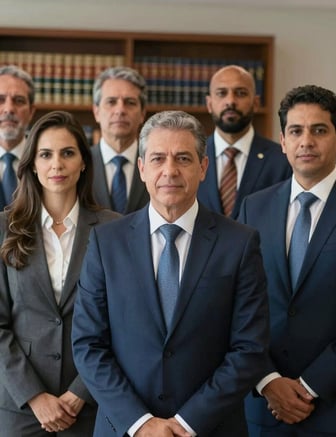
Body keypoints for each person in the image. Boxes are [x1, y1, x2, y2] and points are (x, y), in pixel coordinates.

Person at [72, 110, 270, 437]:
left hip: (210, 428)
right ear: (142, 169)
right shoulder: (107, 242)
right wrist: (140, 422)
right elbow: (88, 343)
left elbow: (249, 348)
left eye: (183, 158)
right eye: (158, 158)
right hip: (124, 428)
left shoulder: (240, 243)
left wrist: (187, 423)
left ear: (203, 167)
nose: (170, 170)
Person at [239, 84, 336, 436]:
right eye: (296, 131)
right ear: (282, 141)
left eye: (319, 130)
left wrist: (310, 386)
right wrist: (269, 381)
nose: (306, 142)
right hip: (264, 408)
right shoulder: (254, 207)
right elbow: (237, 306)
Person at [0, 110, 121, 436]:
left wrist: (81, 392)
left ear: (84, 162)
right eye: (46, 154)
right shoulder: (4, 228)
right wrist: (35, 397)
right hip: (20, 409)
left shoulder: (115, 229)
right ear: (32, 164)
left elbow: (124, 323)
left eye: (68, 153)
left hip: (91, 405)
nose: (57, 164)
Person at [197, 64, 291, 219]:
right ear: (209, 104)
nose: (230, 101)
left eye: (240, 93)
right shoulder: (193, 157)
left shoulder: (282, 160)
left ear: (255, 102)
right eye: (222, 93)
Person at [91, 66, 149, 214]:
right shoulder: (80, 163)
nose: (120, 110)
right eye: (111, 102)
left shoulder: (155, 163)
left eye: (130, 102)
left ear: (142, 113)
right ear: (96, 112)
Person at [0, 64, 36, 209]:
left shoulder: (47, 160)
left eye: (19, 101)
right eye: (1, 100)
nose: (9, 109)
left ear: (31, 111)